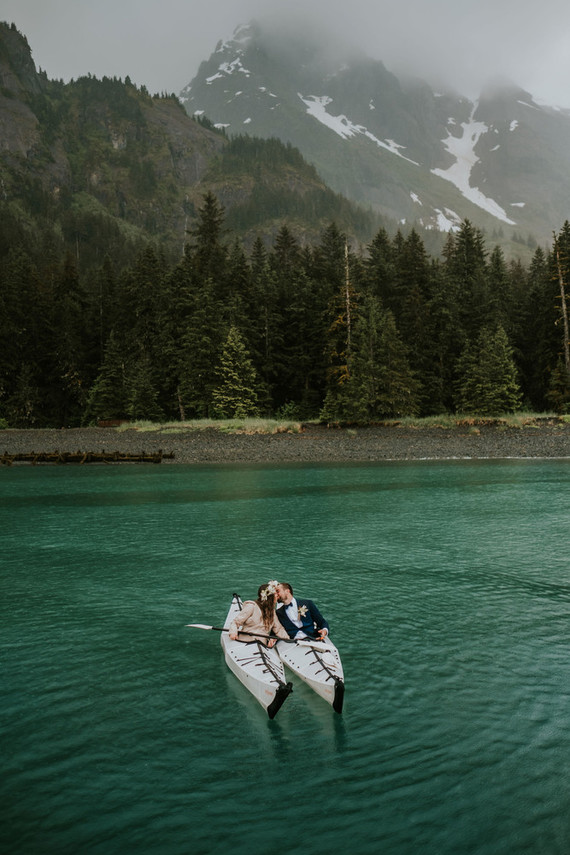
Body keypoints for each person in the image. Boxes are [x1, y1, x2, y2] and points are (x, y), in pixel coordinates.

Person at [228, 581, 290, 648]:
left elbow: (279, 629)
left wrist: (288, 640)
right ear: (269, 597)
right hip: (245, 642)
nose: (277, 596)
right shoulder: (251, 606)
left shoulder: (272, 612)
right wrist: (233, 632)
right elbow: (235, 622)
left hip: (261, 645)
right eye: (275, 594)